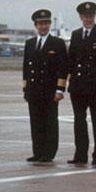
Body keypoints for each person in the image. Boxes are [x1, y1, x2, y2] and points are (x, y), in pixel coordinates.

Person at [67, 1, 96, 165]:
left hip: (95, 85)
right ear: (80, 17)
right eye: (85, 16)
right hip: (78, 85)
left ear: (94, 16)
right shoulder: (76, 34)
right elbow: (71, 59)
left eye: (91, 15)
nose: (88, 18)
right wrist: (66, 81)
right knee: (79, 121)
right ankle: (80, 154)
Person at [22, 8, 68, 163]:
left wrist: (60, 89)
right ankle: (38, 151)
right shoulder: (30, 44)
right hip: (34, 90)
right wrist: (26, 88)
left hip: (49, 91)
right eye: (40, 24)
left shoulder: (57, 43)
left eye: (46, 23)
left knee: (50, 123)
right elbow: (26, 68)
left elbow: (63, 68)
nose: (43, 26)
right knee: (36, 122)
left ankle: (49, 153)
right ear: (36, 25)